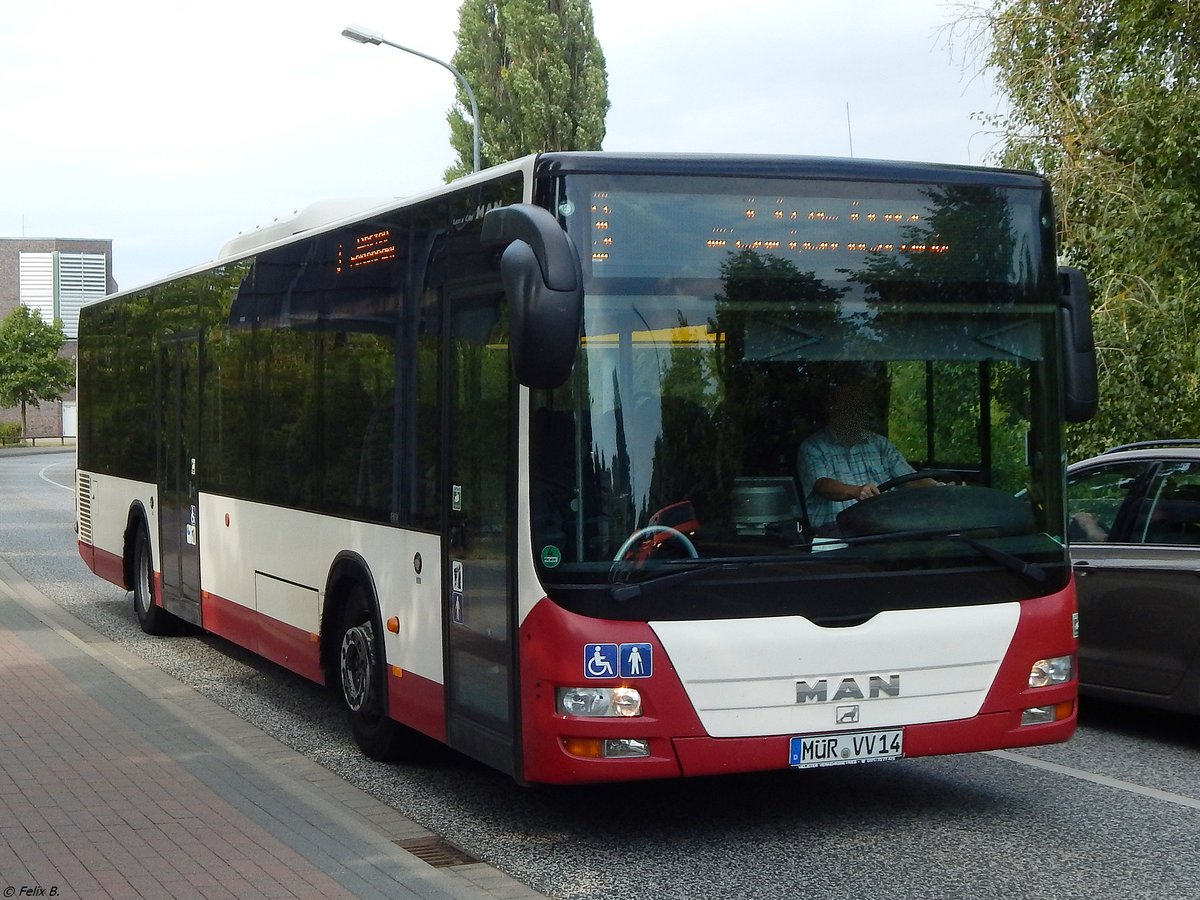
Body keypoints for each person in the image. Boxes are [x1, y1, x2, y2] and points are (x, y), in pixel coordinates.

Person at [798, 382, 931, 533]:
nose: (856, 413)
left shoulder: (879, 444)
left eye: (860, 407)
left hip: (884, 529)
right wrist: (856, 491)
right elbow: (822, 485)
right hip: (833, 533)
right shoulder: (813, 447)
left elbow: (909, 478)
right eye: (849, 407)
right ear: (833, 410)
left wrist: (940, 487)